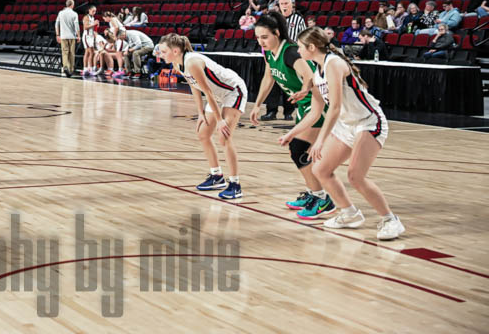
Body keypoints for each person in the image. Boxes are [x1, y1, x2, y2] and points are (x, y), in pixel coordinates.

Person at [296, 27, 405, 240]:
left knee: (355, 176)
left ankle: (390, 220)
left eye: (300, 47)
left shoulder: (334, 64)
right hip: (347, 124)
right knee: (320, 169)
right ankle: (349, 214)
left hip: (368, 121)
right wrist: (293, 132)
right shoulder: (318, 69)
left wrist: (320, 140)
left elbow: (335, 107)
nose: (298, 51)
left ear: (312, 47)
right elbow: (318, 106)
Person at [250, 13, 333, 218]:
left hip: (318, 103)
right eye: (258, 37)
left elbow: (310, 75)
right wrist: (257, 104)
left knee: (298, 149)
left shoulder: (290, 52)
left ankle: (322, 198)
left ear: (277, 33)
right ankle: (314, 192)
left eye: (265, 37)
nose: (261, 42)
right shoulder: (269, 52)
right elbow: (269, 76)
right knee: (298, 152)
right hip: (303, 106)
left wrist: (304, 89)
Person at [156, 34, 253, 199]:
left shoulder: (192, 62)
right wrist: (200, 113)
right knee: (203, 133)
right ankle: (217, 176)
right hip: (217, 95)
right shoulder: (177, 63)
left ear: (175, 51)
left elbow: (207, 92)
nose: (161, 55)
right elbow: (194, 87)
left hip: (232, 91)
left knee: (224, 137)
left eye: (164, 52)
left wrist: (220, 120)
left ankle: (235, 185)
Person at [55, 0, 80, 77]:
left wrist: (57, 35)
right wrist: (78, 35)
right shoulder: (74, 14)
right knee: (71, 53)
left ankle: (65, 67)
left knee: (65, 52)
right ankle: (71, 69)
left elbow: (56, 24)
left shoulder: (61, 13)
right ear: (72, 5)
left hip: (63, 36)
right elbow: (77, 26)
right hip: (72, 36)